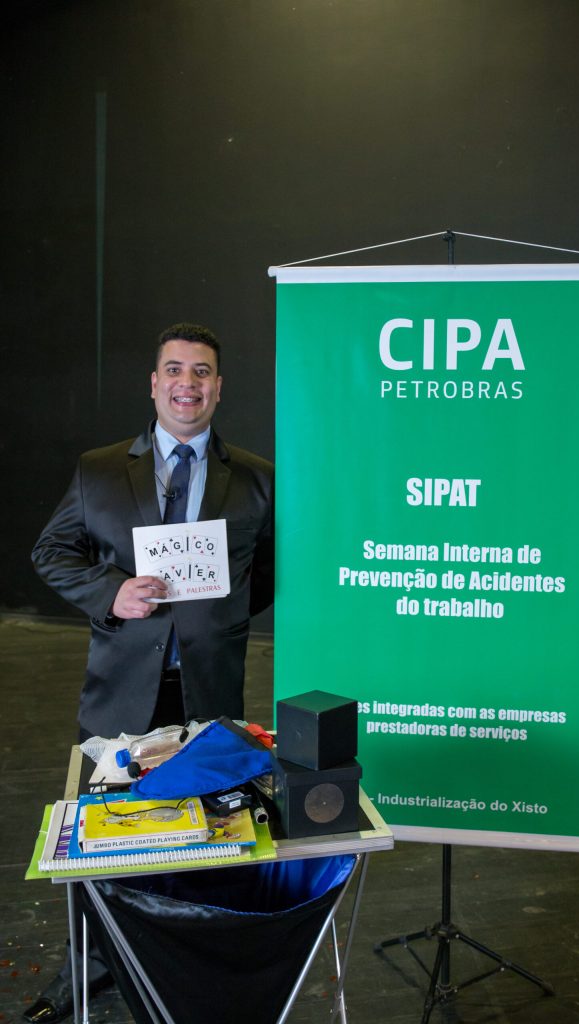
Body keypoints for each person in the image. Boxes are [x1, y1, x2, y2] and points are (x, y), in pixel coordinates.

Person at [24, 322, 274, 1023]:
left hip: (209, 686)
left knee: (208, 826)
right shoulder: (100, 469)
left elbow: (265, 573)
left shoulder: (257, 478)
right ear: (154, 382)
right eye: (175, 370)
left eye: (201, 372)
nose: (187, 384)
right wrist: (112, 593)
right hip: (122, 685)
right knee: (104, 827)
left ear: (218, 388)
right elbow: (51, 553)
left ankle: (191, 956)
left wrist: (215, 619)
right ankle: (92, 961)